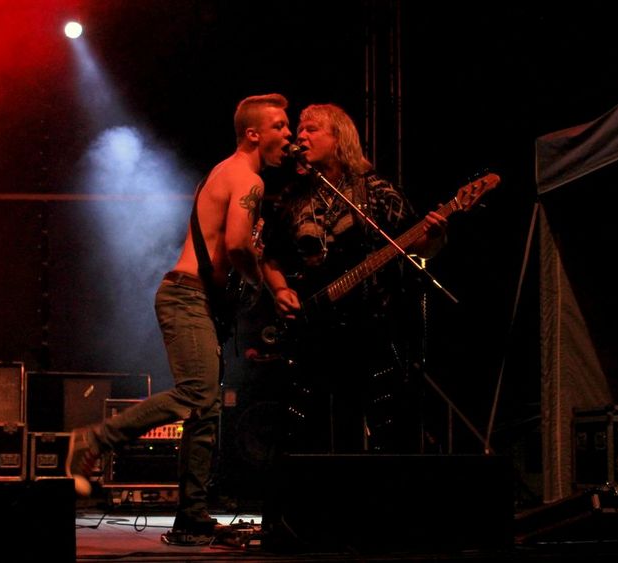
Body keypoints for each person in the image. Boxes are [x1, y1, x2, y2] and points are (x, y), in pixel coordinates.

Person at [65, 93, 292, 543]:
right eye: (280, 126)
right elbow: (238, 245)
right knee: (196, 395)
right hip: (187, 297)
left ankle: (191, 518)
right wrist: (259, 286)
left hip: (195, 298)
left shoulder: (225, 171)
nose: (289, 135)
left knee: (205, 410)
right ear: (253, 134)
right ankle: (94, 439)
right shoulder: (247, 178)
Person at [260, 102, 448, 455]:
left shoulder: (376, 190)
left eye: (311, 129)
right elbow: (269, 256)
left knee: (384, 424)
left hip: (373, 330)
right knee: (312, 427)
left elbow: (418, 245)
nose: (301, 136)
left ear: (339, 137)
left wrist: (436, 235)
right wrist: (280, 289)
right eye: (299, 130)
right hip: (315, 330)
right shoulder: (292, 197)